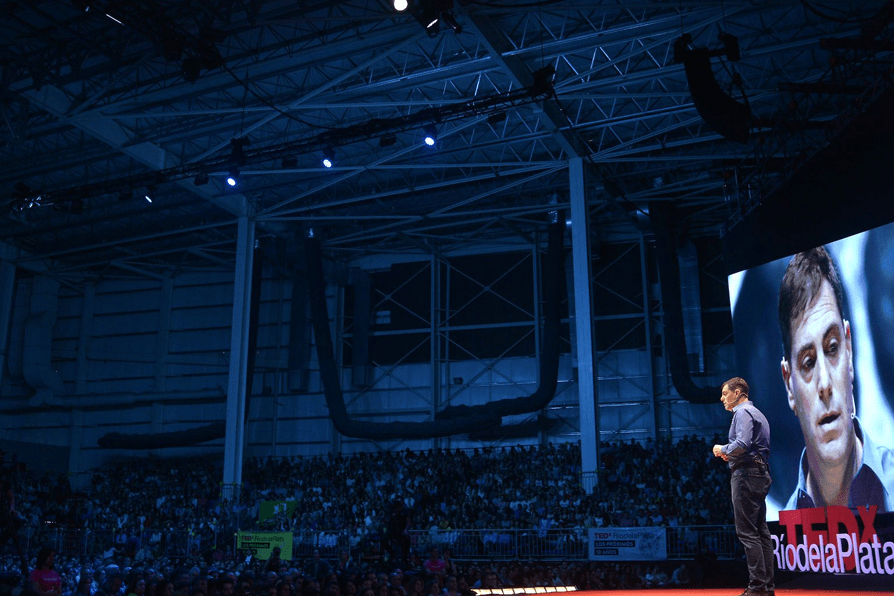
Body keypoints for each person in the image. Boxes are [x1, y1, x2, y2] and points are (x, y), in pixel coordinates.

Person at [778, 246, 894, 510]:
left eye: (832, 348)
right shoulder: (783, 528)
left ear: (849, 351)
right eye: (808, 362)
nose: (825, 384)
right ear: (789, 385)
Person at [712, 377, 773, 596]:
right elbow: (753, 446)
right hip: (759, 473)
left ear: (738, 393)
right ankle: (767, 587)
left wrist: (723, 449)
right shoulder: (758, 414)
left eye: (725, 394)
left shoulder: (742, 413)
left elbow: (743, 443)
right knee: (761, 532)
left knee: (748, 532)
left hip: (746, 475)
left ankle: (757, 588)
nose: (722, 398)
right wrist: (734, 454)